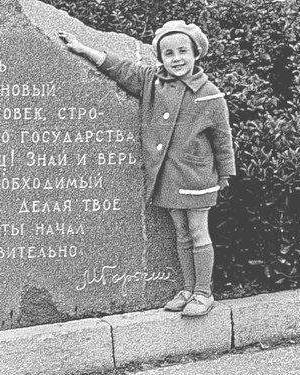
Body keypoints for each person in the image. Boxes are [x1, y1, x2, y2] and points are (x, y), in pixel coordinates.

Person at [59, 20, 235, 317]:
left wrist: (226, 172)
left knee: (198, 232)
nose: (176, 58)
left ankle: (203, 293)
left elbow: (222, 137)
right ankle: (188, 289)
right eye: (169, 53)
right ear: (160, 57)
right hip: (168, 176)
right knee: (181, 233)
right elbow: (120, 68)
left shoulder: (210, 93)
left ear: (196, 53)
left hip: (197, 176)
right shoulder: (153, 82)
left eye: (183, 51)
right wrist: (83, 49)